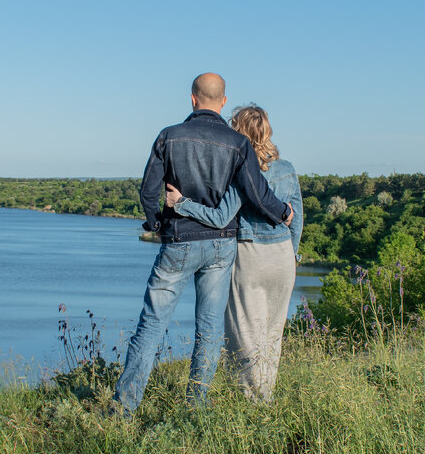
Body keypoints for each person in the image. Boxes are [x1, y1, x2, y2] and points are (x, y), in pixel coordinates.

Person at [113, 74, 293, 415]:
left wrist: (158, 224)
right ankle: (195, 408)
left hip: (179, 241)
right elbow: (257, 193)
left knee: (152, 323)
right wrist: (283, 212)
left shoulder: (168, 136)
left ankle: (124, 408)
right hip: (221, 246)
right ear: (223, 101)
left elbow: (149, 192)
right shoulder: (237, 144)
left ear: (192, 99)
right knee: (209, 330)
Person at [163, 105, 303, 403]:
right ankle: (266, 398)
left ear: (238, 132)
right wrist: (292, 255)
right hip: (282, 257)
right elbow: (297, 218)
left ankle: (252, 406)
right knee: (272, 335)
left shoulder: (240, 170)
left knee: (245, 336)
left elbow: (219, 217)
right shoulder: (288, 168)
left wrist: (181, 203)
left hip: (250, 257)